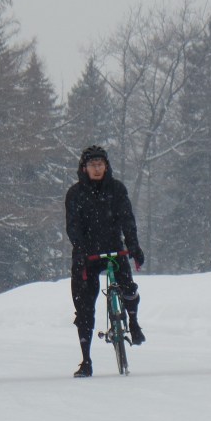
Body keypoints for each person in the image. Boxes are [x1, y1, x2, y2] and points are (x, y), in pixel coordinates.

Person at [65, 145, 145, 378]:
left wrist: (134, 246)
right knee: (84, 307)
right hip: (86, 254)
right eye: (92, 165)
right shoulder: (75, 194)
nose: (97, 169)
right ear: (84, 168)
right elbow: (73, 226)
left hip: (113, 249)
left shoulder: (117, 189)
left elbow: (127, 220)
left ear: (106, 166)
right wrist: (79, 250)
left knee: (128, 288)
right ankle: (86, 359)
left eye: (100, 165)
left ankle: (133, 322)